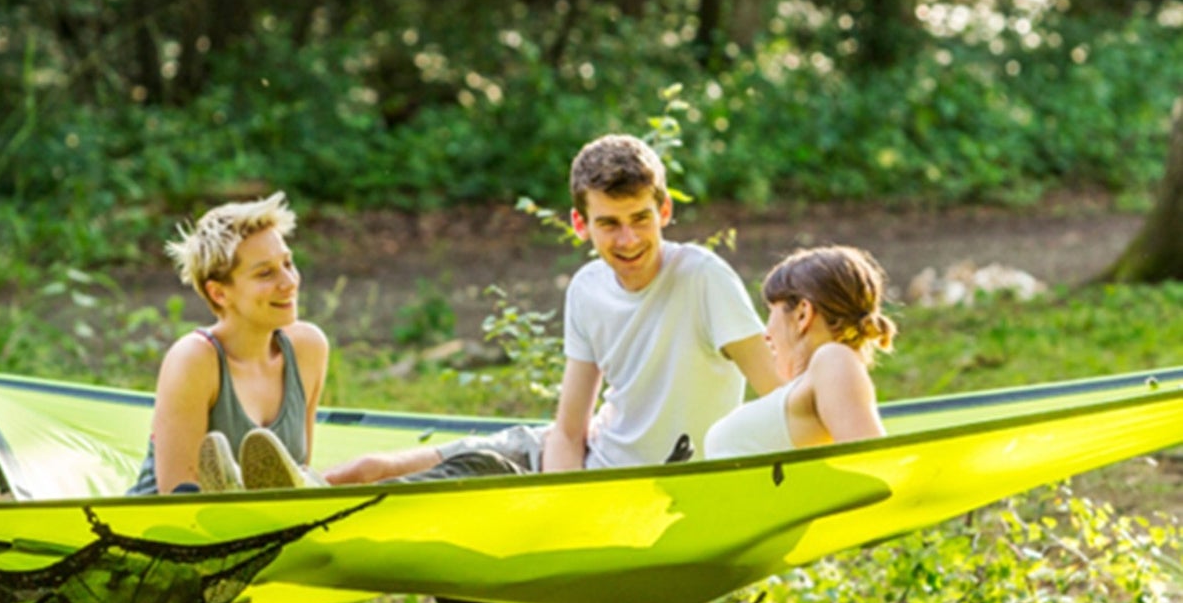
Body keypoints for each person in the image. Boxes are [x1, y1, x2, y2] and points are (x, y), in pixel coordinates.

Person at [317, 132, 780, 486]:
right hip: (569, 458)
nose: (628, 240)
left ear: (663, 211)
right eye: (609, 224)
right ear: (581, 224)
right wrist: (562, 495)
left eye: (640, 219)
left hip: (633, 488)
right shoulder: (587, 288)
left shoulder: (702, 278)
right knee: (369, 469)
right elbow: (568, 430)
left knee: (416, 492)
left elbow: (778, 396)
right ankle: (290, 495)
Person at [128, 193, 329, 495]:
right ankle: (230, 490)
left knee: (369, 469)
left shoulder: (307, 348)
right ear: (219, 293)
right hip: (173, 520)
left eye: (288, 263)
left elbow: (296, 470)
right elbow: (177, 496)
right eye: (265, 273)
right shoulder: (194, 360)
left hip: (269, 517)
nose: (289, 282)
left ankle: (240, 491)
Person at [703, 245, 895, 459]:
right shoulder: (808, 385)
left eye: (771, 311)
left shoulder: (833, 358)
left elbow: (872, 462)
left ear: (802, 314)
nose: (766, 334)